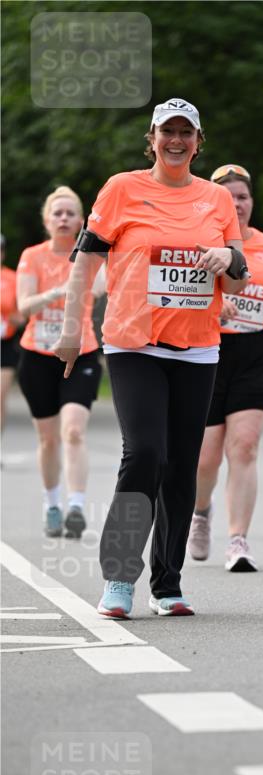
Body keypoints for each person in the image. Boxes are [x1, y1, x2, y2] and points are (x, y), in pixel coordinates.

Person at [52, 98, 247, 618]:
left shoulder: (216, 199)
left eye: (187, 132)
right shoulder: (122, 189)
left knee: (181, 468)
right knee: (144, 455)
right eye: (168, 132)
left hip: (199, 347)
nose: (176, 141)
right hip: (133, 343)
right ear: (153, 137)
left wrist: (229, 257)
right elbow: (85, 262)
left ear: (199, 141)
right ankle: (119, 577)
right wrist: (73, 330)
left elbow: (239, 268)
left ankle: (168, 584)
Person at [188, 164, 263, 570]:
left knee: (245, 447)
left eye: (243, 197)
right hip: (209, 351)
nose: (237, 204)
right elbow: (184, 296)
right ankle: (201, 513)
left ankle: (238, 540)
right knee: (204, 458)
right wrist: (217, 305)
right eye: (229, 197)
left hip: (256, 351)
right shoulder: (201, 244)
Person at [15, 188, 104, 537]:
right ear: (47, 220)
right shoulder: (32, 256)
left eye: (70, 213)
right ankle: (52, 503)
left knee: (74, 430)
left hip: (81, 353)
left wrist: (82, 272)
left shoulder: (89, 255)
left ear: (81, 221)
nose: (64, 218)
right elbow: (24, 306)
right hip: (38, 355)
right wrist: (57, 292)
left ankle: (77, 507)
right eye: (58, 213)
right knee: (49, 439)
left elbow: (100, 285)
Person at [0, 234, 24, 432]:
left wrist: (11, 316)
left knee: (0, 397)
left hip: (5, 344)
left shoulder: (13, 278)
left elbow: (23, 315)